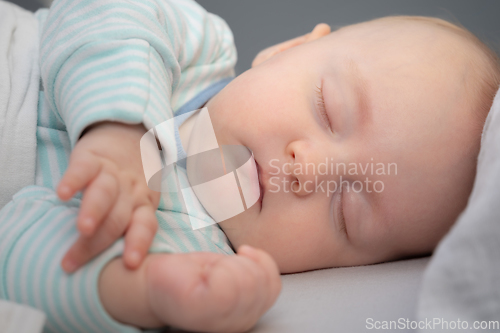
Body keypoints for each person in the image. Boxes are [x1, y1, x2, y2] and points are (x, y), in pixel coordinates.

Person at [0, 0, 499, 332]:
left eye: (348, 210)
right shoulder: (196, 49)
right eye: (329, 109)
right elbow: (96, 9)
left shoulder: (186, 250)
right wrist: (120, 126)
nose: (309, 170)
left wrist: (143, 293)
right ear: (289, 50)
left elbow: (18, 260)